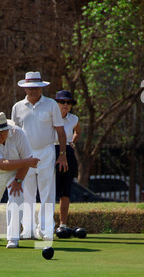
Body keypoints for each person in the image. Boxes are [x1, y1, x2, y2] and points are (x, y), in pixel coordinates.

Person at [11, 71, 67, 241]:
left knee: (47, 192)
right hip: (26, 154)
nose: (33, 91)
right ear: (25, 88)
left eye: (36, 88)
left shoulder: (51, 105)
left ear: (41, 88)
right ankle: (27, 229)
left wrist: (62, 154)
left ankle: (45, 229)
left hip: (46, 151)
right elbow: (14, 133)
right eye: (30, 88)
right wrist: (16, 158)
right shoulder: (17, 107)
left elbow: (60, 130)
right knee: (27, 193)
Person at [0, 112, 40, 248]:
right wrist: (27, 162)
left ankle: (13, 238)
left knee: (16, 199)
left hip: (15, 172)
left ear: (8, 129)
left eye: (2, 133)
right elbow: (2, 164)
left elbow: (26, 158)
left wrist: (18, 180)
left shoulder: (19, 134)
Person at [54, 90, 81, 230]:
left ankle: (63, 224)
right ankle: (44, 225)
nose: (65, 105)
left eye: (68, 102)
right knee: (48, 190)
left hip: (67, 152)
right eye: (62, 102)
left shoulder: (73, 118)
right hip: (51, 150)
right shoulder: (50, 117)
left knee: (65, 190)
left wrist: (72, 142)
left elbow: (78, 131)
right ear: (56, 103)